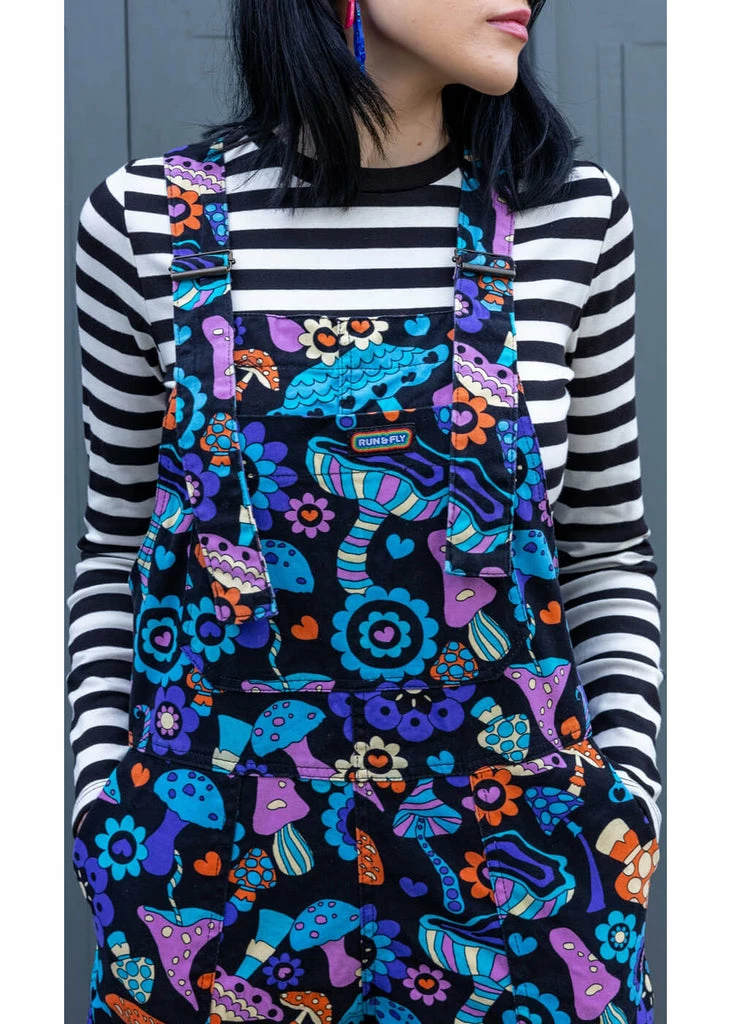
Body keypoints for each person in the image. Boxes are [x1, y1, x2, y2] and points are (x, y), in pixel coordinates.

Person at [67, 2, 663, 1022]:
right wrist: (97, 797)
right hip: (213, 870)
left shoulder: (570, 218)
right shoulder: (145, 221)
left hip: (521, 862)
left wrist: (630, 796)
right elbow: (117, 546)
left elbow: (604, 552)